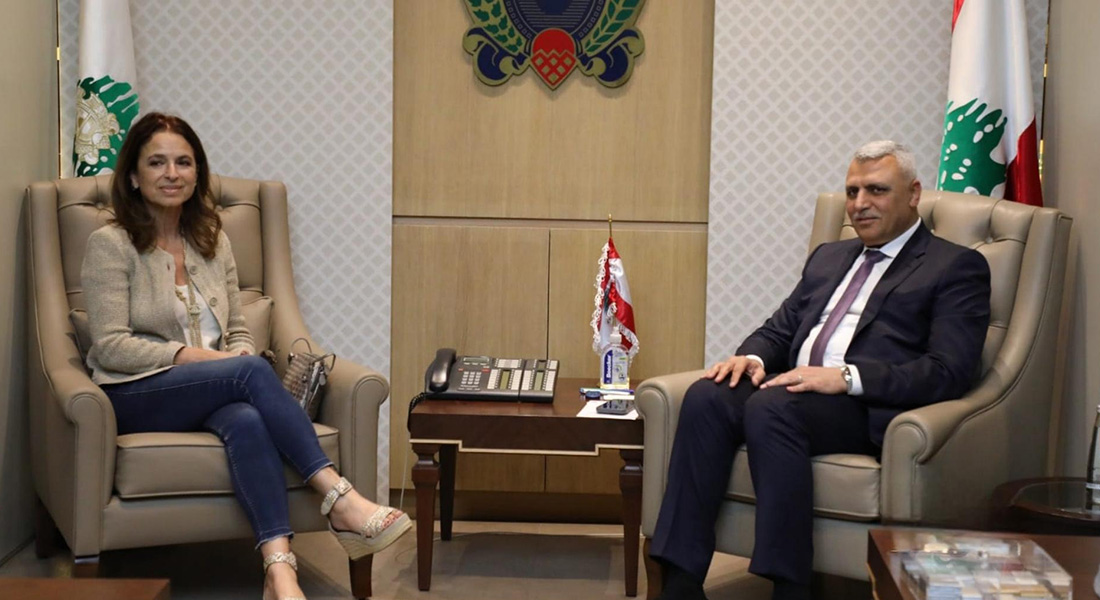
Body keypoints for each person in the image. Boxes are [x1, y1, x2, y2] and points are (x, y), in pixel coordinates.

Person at [81, 112, 411, 600]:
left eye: (183, 162)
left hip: (209, 391)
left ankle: (279, 573)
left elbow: (237, 327)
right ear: (133, 175)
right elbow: (110, 345)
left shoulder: (212, 241)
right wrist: (201, 359)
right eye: (156, 162)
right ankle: (340, 500)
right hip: (134, 393)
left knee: (247, 418)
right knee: (249, 373)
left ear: (197, 173)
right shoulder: (110, 244)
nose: (172, 173)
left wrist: (235, 354)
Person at [650, 141, 992, 600]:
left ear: (913, 194)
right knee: (707, 394)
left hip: (864, 406)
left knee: (773, 408)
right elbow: (780, 329)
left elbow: (948, 371)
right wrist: (751, 359)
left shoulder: (955, 266)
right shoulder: (830, 257)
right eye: (852, 191)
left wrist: (847, 377)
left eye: (876, 190)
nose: (860, 203)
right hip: (795, 392)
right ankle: (680, 582)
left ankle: (790, 586)